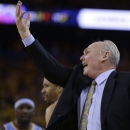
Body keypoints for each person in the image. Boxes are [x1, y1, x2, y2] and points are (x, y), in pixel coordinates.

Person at [15, 1, 130, 130]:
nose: (82, 58)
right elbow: (50, 67)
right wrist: (26, 35)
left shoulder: (126, 82)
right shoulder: (77, 79)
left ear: (105, 56)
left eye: (87, 52)